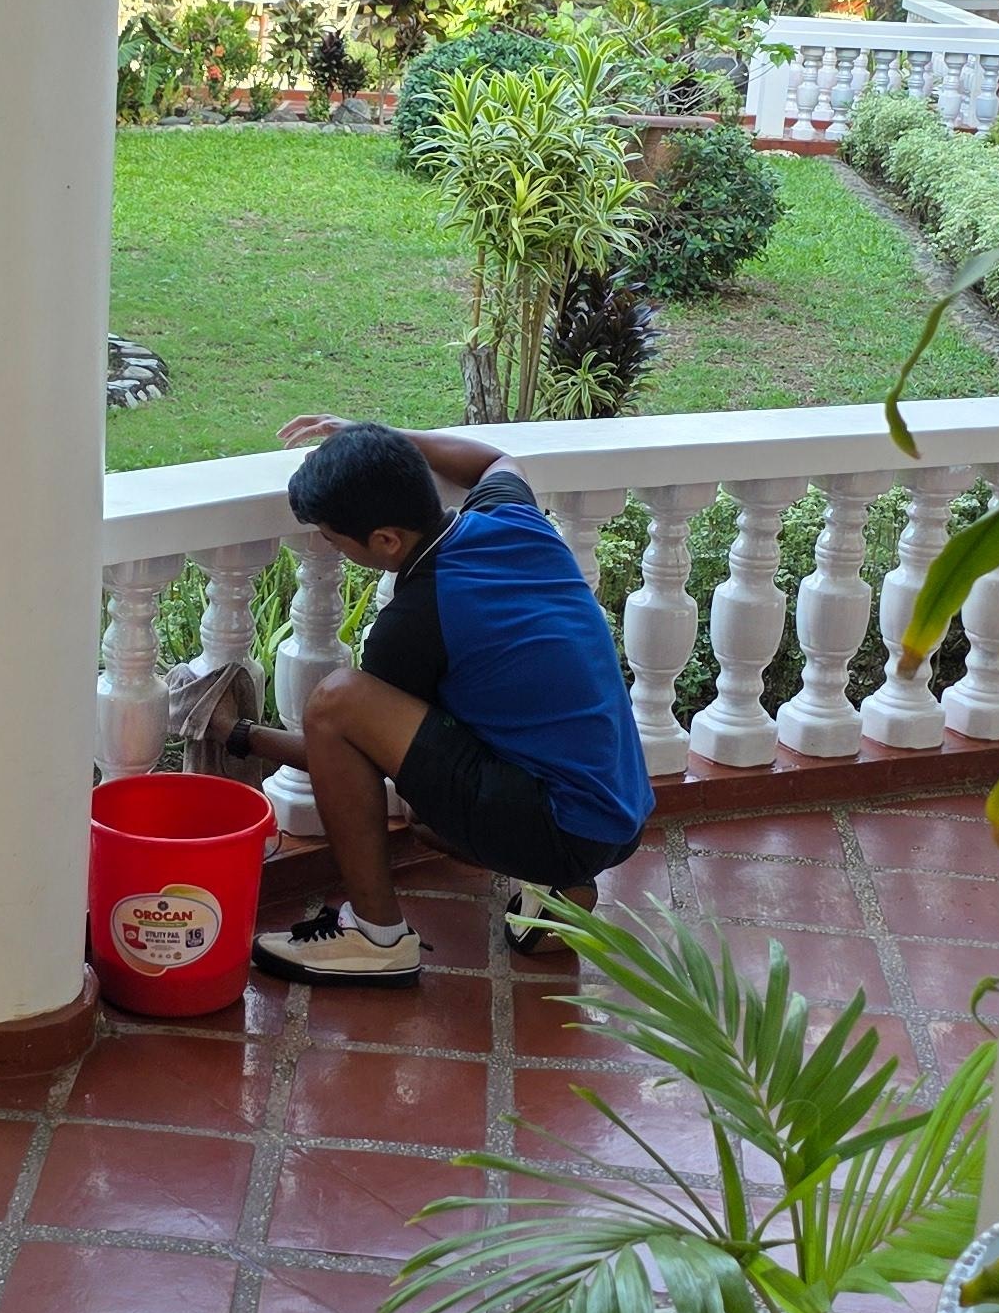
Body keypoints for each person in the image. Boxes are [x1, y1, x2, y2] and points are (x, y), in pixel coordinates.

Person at [191, 417, 653, 984]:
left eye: (333, 539)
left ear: (386, 540)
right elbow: (495, 461)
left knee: (337, 701)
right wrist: (379, 439)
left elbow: (347, 752)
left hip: (563, 824)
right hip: (619, 814)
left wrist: (238, 734)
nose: (330, 547)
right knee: (426, 820)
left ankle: (377, 938)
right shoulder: (510, 517)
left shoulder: (416, 621)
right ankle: (559, 890)